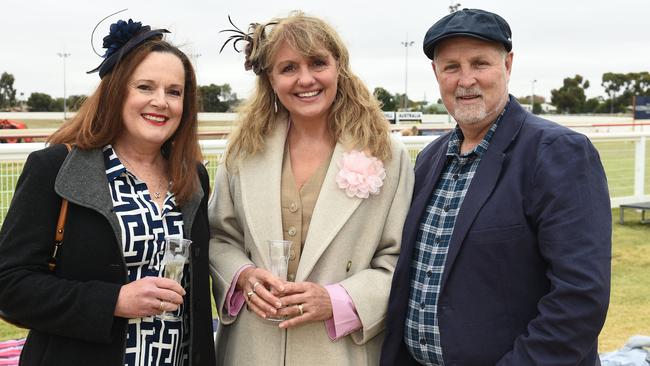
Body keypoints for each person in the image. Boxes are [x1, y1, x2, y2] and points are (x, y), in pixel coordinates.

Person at [380, 8, 611, 366]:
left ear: (508, 65)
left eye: (480, 63)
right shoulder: (429, 158)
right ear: (436, 73)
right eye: (452, 67)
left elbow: (579, 300)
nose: (466, 79)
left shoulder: (557, 153)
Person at [0, 19, 215, 366]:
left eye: (174, 91)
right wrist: (112, 301)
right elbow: (9, 285)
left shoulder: (193, 178)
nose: (161, 101)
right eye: (145, 87)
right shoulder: (55, 168)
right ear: (117, 90)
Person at [209, 11, 414, 366]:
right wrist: (243, 277)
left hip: (338, 352)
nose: (306, 79)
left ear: (339, 68)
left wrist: (338, 300)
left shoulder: (387, 155)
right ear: (271, 80)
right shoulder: (243, 150)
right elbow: (218, 238)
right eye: (288, 68)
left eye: (318, 63)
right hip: (252, 349)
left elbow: (399, 260)